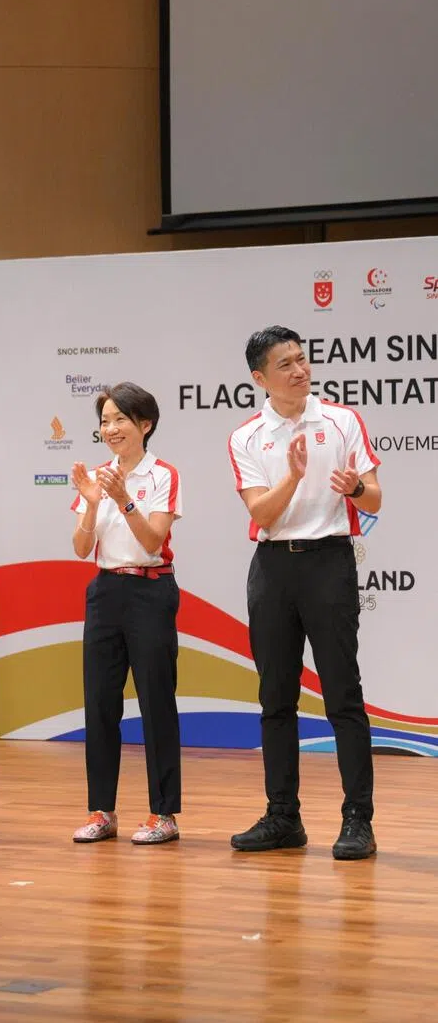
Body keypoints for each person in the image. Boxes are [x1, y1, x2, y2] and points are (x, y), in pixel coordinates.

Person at [228, 326, 382, 860]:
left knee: (343, 693)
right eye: (285, 364)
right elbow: (260, 512)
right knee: (275, 698)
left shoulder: (341, 421)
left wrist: (356, 488)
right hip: (273, 568)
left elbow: (376, 498)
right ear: (260, 378)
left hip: (329, 564)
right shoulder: (246, 436)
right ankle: (283, 817)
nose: (300, 370)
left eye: (302, 359)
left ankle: (357, 819)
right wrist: (293, 478)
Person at [69, 383, 183, 846]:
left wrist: (123, 499)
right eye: (105, 421)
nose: (110, 429)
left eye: (119, 420)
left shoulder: (162, 474)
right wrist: (94, 502)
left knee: (156, 701)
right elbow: (80, 548)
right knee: (99, 703)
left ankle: (164, 815)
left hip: (151, 589)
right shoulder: (97, 477)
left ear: (145, 425)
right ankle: (102, 811)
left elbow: (154, 540)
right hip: (105, 589)